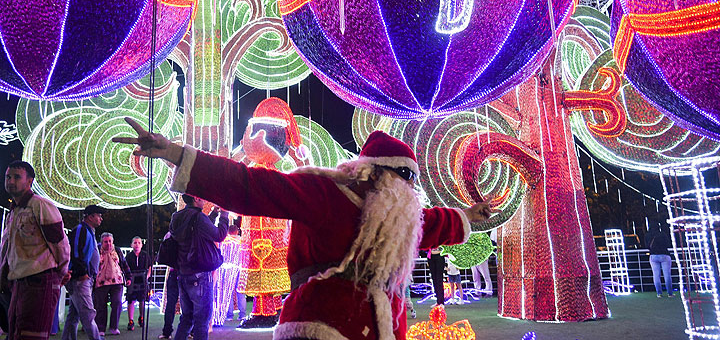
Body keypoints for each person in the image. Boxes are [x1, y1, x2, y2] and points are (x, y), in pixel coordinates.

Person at [114, 120, 496, 340]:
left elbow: (433, 224)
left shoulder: (399, 218)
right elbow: (250, 187)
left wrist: (468, 216)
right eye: (405, 183)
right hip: (319, 327)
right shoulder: (325, 191)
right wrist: (177, 154)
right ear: (378, 173)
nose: (409, 194)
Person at [0, 160, 70, 340]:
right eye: (8, 177)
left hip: (40, 282)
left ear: (30, 181)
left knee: (32, 335)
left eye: (17, 177)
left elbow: (60, 245)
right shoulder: (14, 211)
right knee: (16, 332)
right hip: (19, 283)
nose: (11, 181)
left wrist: (58, 274)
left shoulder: (40, 205)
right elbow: (9, 249)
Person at [170, 194, 229, 340]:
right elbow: (219, 235)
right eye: (202, 197)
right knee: (202, 321)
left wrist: (214, 214)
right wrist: (224, 215)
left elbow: (198, 228)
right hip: (200, 274)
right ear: (196, 198)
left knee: (187, 318)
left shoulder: (177, 217)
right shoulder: (198, 217)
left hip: (183, 273)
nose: (204, 199)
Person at [62, 205, 104, 340]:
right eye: (99, 215)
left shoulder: (87, 230)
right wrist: (81, 273)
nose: (101, 218)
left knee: (74, 315)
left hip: (83, 278)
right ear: (90, 216)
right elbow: (75, 252)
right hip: (80, 279)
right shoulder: (81, 230)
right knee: (88, 313)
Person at [93, 233, 131, 336]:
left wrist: (128, 277)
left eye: (110, 241)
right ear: (102, 242)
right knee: (100, 306)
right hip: (101, 282)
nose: (108, 243)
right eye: (106, 241)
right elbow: (92, 265)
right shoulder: (96, 250)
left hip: (117, 281)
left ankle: (114, 327)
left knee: (117, 303)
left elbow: (124, 264)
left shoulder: (117, 250)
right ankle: (101, 328)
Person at [125, 237, 152, 331]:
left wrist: (147, 276)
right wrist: (128, 278)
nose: (137, 245)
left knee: (142, 299)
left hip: (143, 278)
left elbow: (150, 266)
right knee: (130, 300)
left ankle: (141, 318)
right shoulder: (128, 256)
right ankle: (130, 321)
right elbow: (125, 268)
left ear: (141, 244)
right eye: (135, 243)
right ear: (131, 244)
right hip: (132, 278)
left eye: (138, 243)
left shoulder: (145, 255)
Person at [646, 223, 674, 298]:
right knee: (667, 275)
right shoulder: (662, 234)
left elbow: (647, 246)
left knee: (656, 275)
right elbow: (668, 243)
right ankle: (670, 293)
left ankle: (659, 293)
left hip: (653, 256)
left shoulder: (648, 235)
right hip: (664, 254)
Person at [158, 267, 178, 340]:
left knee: (171, 304)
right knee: (170, 305)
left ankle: (167, 332)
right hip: (182, 272)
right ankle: (167, 332)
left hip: (178, 272)